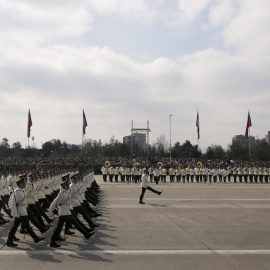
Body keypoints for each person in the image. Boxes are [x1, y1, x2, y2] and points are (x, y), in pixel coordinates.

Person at [48, 175, 95, 248]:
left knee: (59, 227)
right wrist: (50, 210)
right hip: (64, 212)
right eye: (66, 185)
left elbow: (68, 201)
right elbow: (55, 201)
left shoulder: (68, 191)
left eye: (67, 185)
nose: (67, 186)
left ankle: (53, 240)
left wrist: (70, 208)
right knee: (75, 223)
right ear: (63, 186)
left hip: (66, 211)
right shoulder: (61, 193)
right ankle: (86, 234)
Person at [6, 174, 45, 247]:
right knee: (27, 225)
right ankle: (35, 238)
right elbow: (13, 203)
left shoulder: (22, 190)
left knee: (15, 226)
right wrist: (15, 213)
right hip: (20, 212)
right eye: (23, 183)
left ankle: (9, 240)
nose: (25, 184)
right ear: (20, 184)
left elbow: (23, 201)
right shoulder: (17, 192)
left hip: (23, 209)